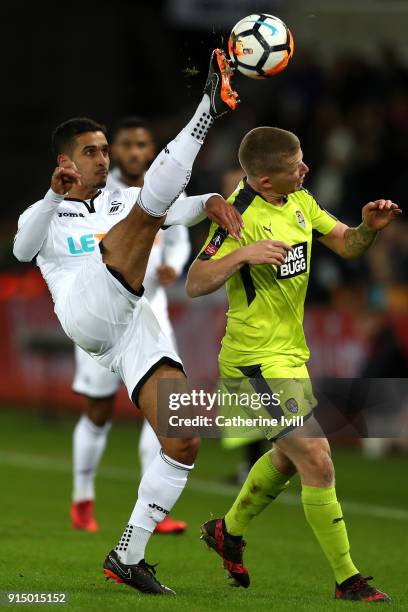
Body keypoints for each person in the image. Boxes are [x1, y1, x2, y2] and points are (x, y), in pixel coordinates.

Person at [13, 49, 243, 595]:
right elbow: (23, 251)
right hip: (84, 308)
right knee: (138, 227)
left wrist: (210, 200)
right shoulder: (46, 211)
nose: (100, 158)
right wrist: (52, 194)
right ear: (65, 159)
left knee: (184, 434)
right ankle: (207, 108)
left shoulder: (122, 201)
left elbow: (173, 206)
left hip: (131, 326)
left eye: (102, 149)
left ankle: (127, 554)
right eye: (90, 151)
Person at [186, 126, 401, 602]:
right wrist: (242, 253)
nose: (305, 169)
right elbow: (196, 281)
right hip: (252, 361)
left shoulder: (301, 201)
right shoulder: (237, 214)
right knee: (318, 458)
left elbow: (346, 244)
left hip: (289, 356)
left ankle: (228, 530)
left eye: (302, 160)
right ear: (264, 181)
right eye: (294, 166)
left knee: (288, 458)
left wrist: (366, 228)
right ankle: (348, 579)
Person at [71, 116, 191, 535]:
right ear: (114, 150)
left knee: (167, 408)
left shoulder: (164, 186)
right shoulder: (98, 192)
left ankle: (155, 508)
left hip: (151, 311)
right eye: (127, 145)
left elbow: (178, 236)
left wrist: (174, 264)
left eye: (143, 144)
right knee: (99, 410)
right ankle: (83, 498)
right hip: (104, 312)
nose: (136, 152)